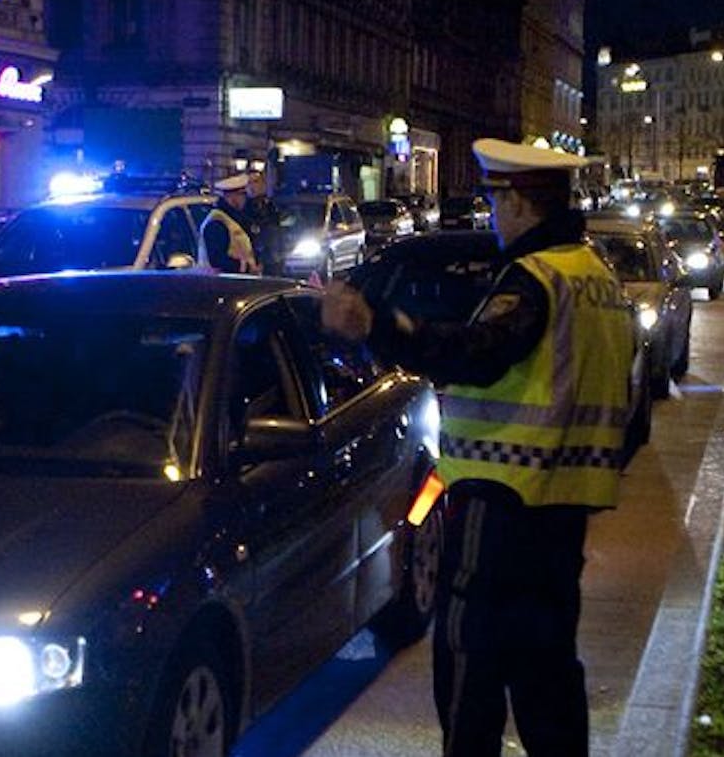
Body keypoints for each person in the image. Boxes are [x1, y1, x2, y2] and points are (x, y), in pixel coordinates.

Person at [321, 138, 634, 757]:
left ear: (520, 202)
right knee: (548, 674)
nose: (493, 215)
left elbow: (477, 354)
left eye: (496, 200)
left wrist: (376, 325)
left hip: (502, 503)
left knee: (471, 669)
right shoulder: (594, 274)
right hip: (563, 509)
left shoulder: (535, 278)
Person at [201, 174, 261, 274]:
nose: (245, 199)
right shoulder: (217, 222)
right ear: (231, 196)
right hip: (223, 285)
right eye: (242, 194)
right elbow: (217, 260)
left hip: (239, 282)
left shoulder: (234, 218)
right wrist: (245, 267)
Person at [242, 169, 284, 275]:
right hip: (255, 261)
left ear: (263, 184)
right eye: (248, 183)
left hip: (273, 259)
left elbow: (276, 229)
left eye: (255, 182)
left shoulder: (270, 206)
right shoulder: (243, 210)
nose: (252, 187)